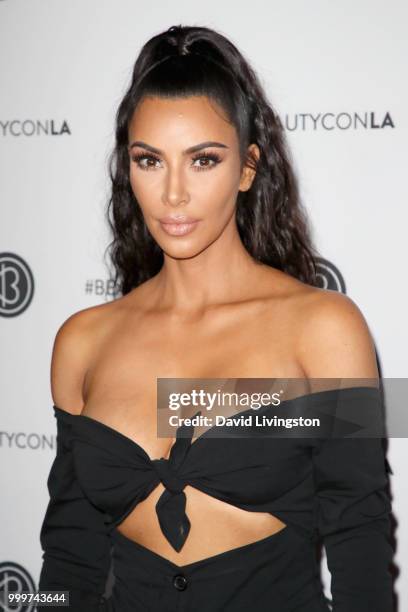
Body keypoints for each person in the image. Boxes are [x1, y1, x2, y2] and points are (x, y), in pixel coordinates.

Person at [38, 24, 394, 611]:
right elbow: (69, 557)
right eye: (149, 160)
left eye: (203, 160)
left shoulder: (325, 328)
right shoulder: (82, 341)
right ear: (129, 170)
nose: (173, 193)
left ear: (248, 168)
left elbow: (359, 544)